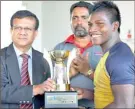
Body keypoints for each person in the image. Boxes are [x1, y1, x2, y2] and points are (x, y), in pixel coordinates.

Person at [1, 10, 56, 109]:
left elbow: (49, 91)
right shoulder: (1, 57)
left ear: (35, 33)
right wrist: (36, 89)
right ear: (11, 30)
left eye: (28, 29)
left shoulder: (44, 59)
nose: (22, 32)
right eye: (18, 28)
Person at [54, 1, 102, 108]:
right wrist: (69, 73)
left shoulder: (104, 47)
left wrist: (88, 71)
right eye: (74, 18)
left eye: (84, 17)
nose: (79, 22)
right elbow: (52, 86)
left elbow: (113, 84)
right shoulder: (59, 48)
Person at [87, 1, 135, 108]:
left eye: (100, 24)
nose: (91, 29)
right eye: (90, 24)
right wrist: (85, 93)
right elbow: (106, 92)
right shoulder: (110, 54)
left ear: (114, 26)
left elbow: (125, 106)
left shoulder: (119, 58)